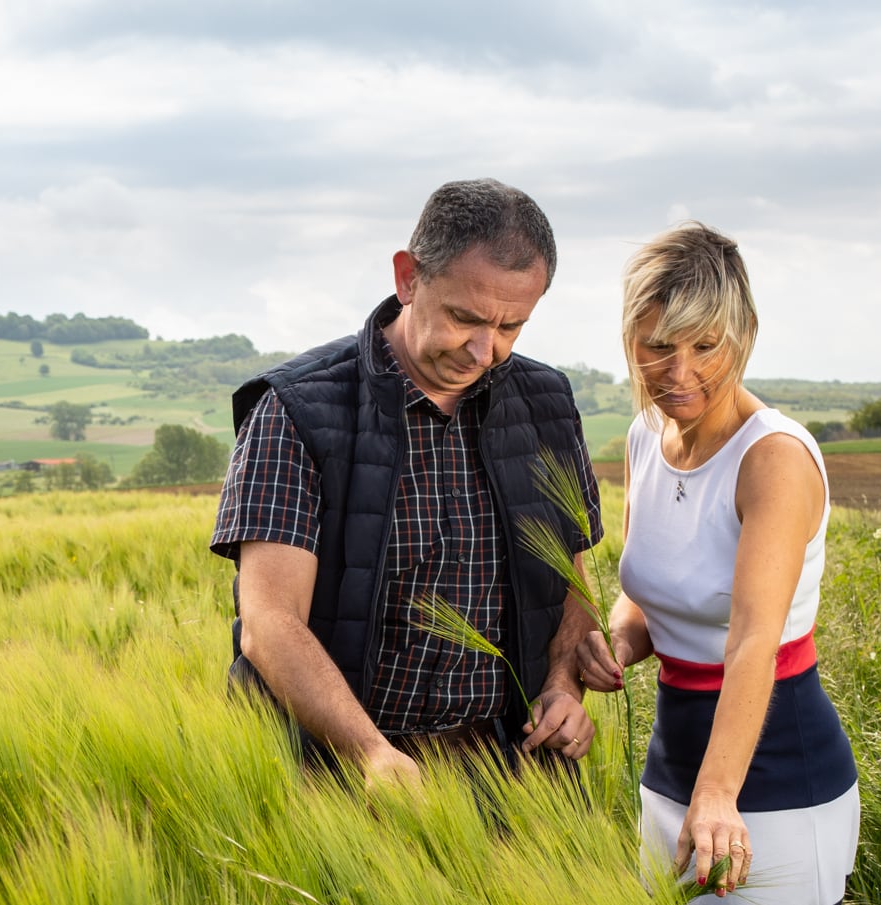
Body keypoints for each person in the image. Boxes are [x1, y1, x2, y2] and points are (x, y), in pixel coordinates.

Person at [210, 178, 603, 784]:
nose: (484, 350)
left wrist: (561, 685)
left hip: (511, 773)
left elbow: (572, 581)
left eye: (511, 327)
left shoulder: (547, 402)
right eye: (464, 317)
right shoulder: (297, 410)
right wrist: (368, 751)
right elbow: (270, 623)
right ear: (408, 278)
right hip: (332, 770)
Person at [577, 224, 859, 905]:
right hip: (671, 769)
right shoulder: (644, 436)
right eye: (656, 346)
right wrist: (615, 645)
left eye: (705, 346)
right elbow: (645, 602)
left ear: (744, 336)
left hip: (767, 775)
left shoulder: (774, 460)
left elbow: (751, 639)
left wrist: (717, 795)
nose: (680, 372)